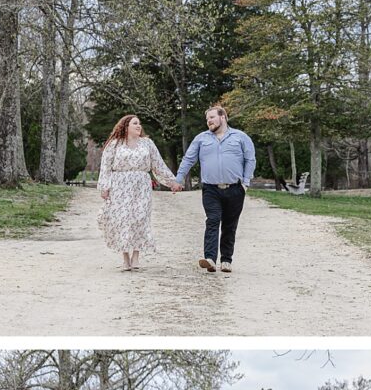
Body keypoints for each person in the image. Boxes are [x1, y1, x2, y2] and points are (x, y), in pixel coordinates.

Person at [175, 106, 256, 274]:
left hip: (235, 188)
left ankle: (226, 260)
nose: (209, 121)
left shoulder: (241, 137)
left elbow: (250, 159)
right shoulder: (201, 139)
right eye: (207, 119)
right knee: (212, 220)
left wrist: (245, 183)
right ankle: (210, 259)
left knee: (229, 225)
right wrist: (178, 179)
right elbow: (188, 159)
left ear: (223, 117)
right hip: (211, 189)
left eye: (212, 117)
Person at [97, 114, 183, 271]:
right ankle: (125, 258)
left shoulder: (147, 144)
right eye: (135, 123)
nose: (139, 126)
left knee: (140, 218)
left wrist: (172, 182)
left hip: (141, 185)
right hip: (120, 185)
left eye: (139, 123)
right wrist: (104, 187)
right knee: (123, 219)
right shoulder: (115, 145)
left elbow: (158, 165)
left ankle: (136, 257)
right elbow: (106, 167)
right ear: (126, 126)